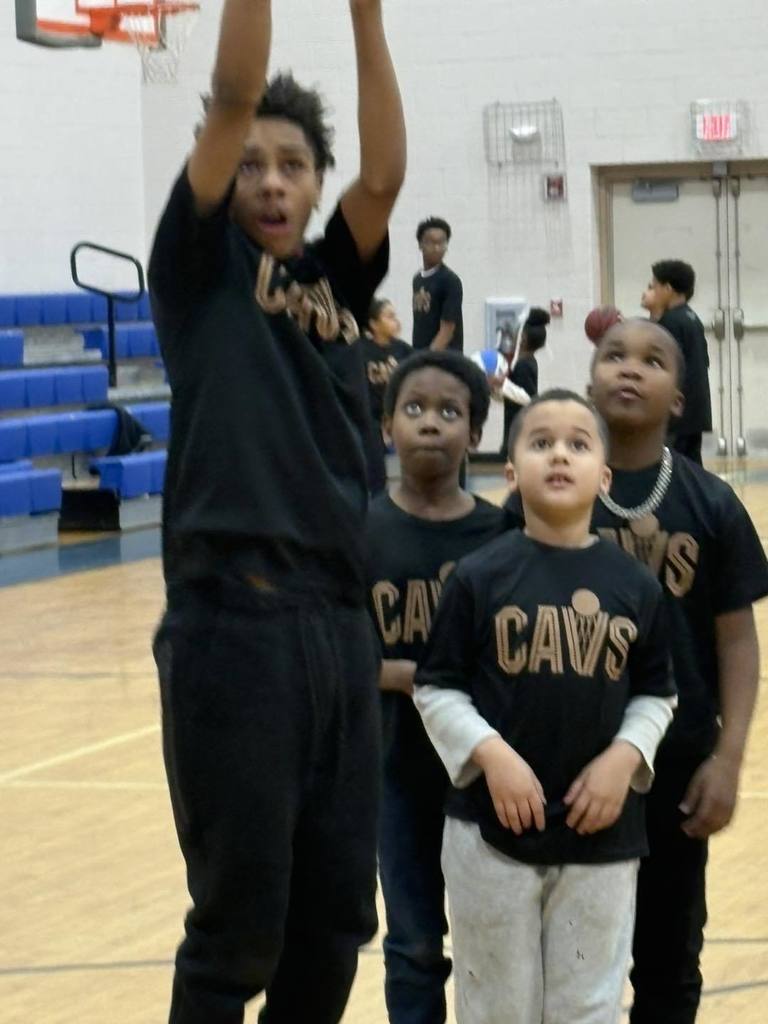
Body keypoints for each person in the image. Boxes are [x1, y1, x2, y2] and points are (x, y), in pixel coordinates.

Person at [147, 1, 406, 1021]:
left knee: (335, 920)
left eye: (292, 165)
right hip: (233, 628)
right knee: (237, 926)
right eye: (250, 163)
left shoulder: (336, 275)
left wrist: (367, 13)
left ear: (313, 180)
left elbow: (382, 175)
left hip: (340, 629)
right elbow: (233, 98)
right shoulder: (198, 270)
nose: (269, 180)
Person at [415, 389, 677, 1024]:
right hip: (488, 834)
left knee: (588, 1007)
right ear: (510, 474)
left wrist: (624, 758)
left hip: (603, 836)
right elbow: (436, 687)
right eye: (541, 443)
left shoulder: (636, 585)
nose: (559, 455)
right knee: (495, 1008)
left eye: (578, 445)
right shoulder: (478, 577)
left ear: (604, 477)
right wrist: (492, 755)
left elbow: (657, 693)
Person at [586, 318, 768, 1023]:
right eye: (614, 356)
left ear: (681, 399)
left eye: (652, 360)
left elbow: (738, 644)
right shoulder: (547, 495)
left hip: (677, 765)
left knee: (667, 958)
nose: (630, 369)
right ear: (591, 379)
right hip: (567, 767)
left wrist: (728, 759)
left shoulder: (711, 503)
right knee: (574, 957)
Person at [366, 350, 510, 1024]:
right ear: (386, 425)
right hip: (392, 773)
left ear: (476, 435)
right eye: (414, 409)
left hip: (484, 776)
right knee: (414, 943)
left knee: (497, 943)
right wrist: (399, 674)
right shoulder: (360, 530)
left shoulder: (501, 533)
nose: (430, 424)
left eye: (450, 412)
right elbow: (335, 652)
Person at [641, 260, 712, 465]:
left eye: (654, 286)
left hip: (678, 413)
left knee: (670, 468)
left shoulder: (670, 321)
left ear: (667, 288)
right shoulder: (691, 317)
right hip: (696, 410)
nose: (651, 291)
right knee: (692, 467)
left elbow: (663, 366)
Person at [359, 297, 411, 474]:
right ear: (373, 324)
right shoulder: (361, 351)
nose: (395, 321)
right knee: (375, 473)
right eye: (389, 317)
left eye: (395, 316)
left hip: (398, 417)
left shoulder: (403, 350)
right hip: (371, 421)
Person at [498, 307, 550, 455]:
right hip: (516, 431)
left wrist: (501, 383)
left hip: (519, 433)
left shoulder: (524, 365)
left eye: (516, 333)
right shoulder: (526, 362)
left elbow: (527, 398)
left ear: (523, 339)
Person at [412, 217, 464, 352]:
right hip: (421, 354)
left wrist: (428, 358)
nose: (436, 248)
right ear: (420, 244)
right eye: (431, 242)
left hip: (444, 359)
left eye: (441, 243)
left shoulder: (450, 281)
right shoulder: (417, 280)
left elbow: (447, 330)